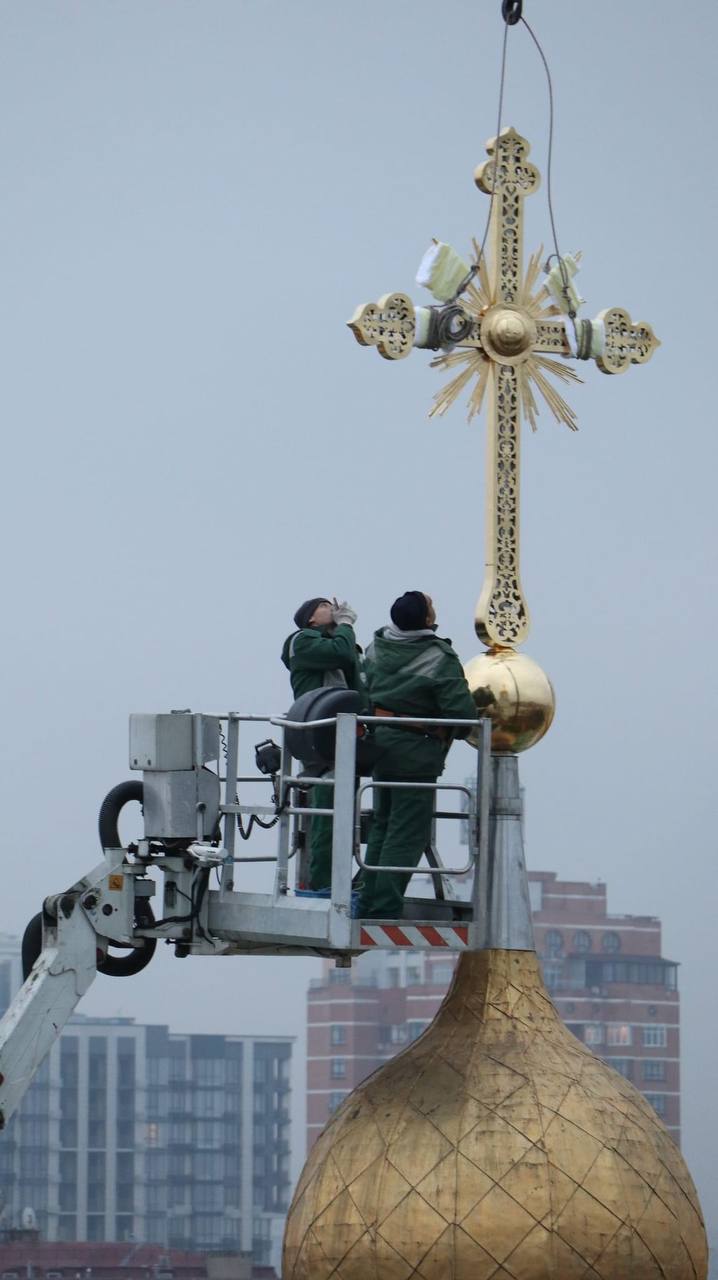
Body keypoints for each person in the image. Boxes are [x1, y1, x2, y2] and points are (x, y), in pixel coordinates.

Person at [358, 590, 480, 919]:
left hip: (380, 748)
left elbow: (363, 690)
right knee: (406, 833)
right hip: (415, 756)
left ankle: (365, 899)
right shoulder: (438, 655)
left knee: (382, 826)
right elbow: (460, 711)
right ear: (427, 620)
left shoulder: (376, 646)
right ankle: (384, 908)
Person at [281, 596, 363, 890]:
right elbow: (342, 654)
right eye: (325, 606)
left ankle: (341, 880)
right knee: (328, 811)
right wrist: (346, 626)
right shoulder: (303, 641)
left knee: (345, 813)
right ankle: (323, 884)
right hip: (320, 737)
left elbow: (351, 665)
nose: (333, 609)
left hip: (342, 734)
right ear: (311, 619)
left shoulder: (335, 643)